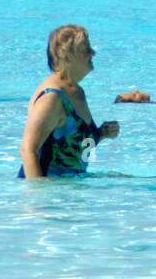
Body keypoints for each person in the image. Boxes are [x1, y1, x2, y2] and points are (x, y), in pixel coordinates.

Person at [18, 25, 120, 179]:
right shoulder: (52, 98)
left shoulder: (77, 91)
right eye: (86, 49)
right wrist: (38, 191)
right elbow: (28, 150)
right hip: (49, 186)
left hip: (70, 184)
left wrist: (100, 134)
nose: (93, 52)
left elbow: (74, 148)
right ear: (67, 56)